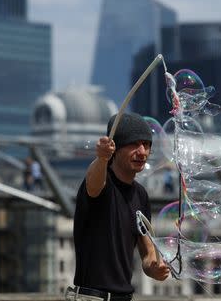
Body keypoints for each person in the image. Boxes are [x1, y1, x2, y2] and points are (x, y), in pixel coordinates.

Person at [66, 112, 170, 301]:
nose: (142, 151)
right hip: (92, 298)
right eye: (134, 144)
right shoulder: (101, 182)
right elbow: (94, 181)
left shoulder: (141, 195)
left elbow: (147, 254)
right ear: (115, 148)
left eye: (146, 145)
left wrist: (154, 268)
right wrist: (101, 158)